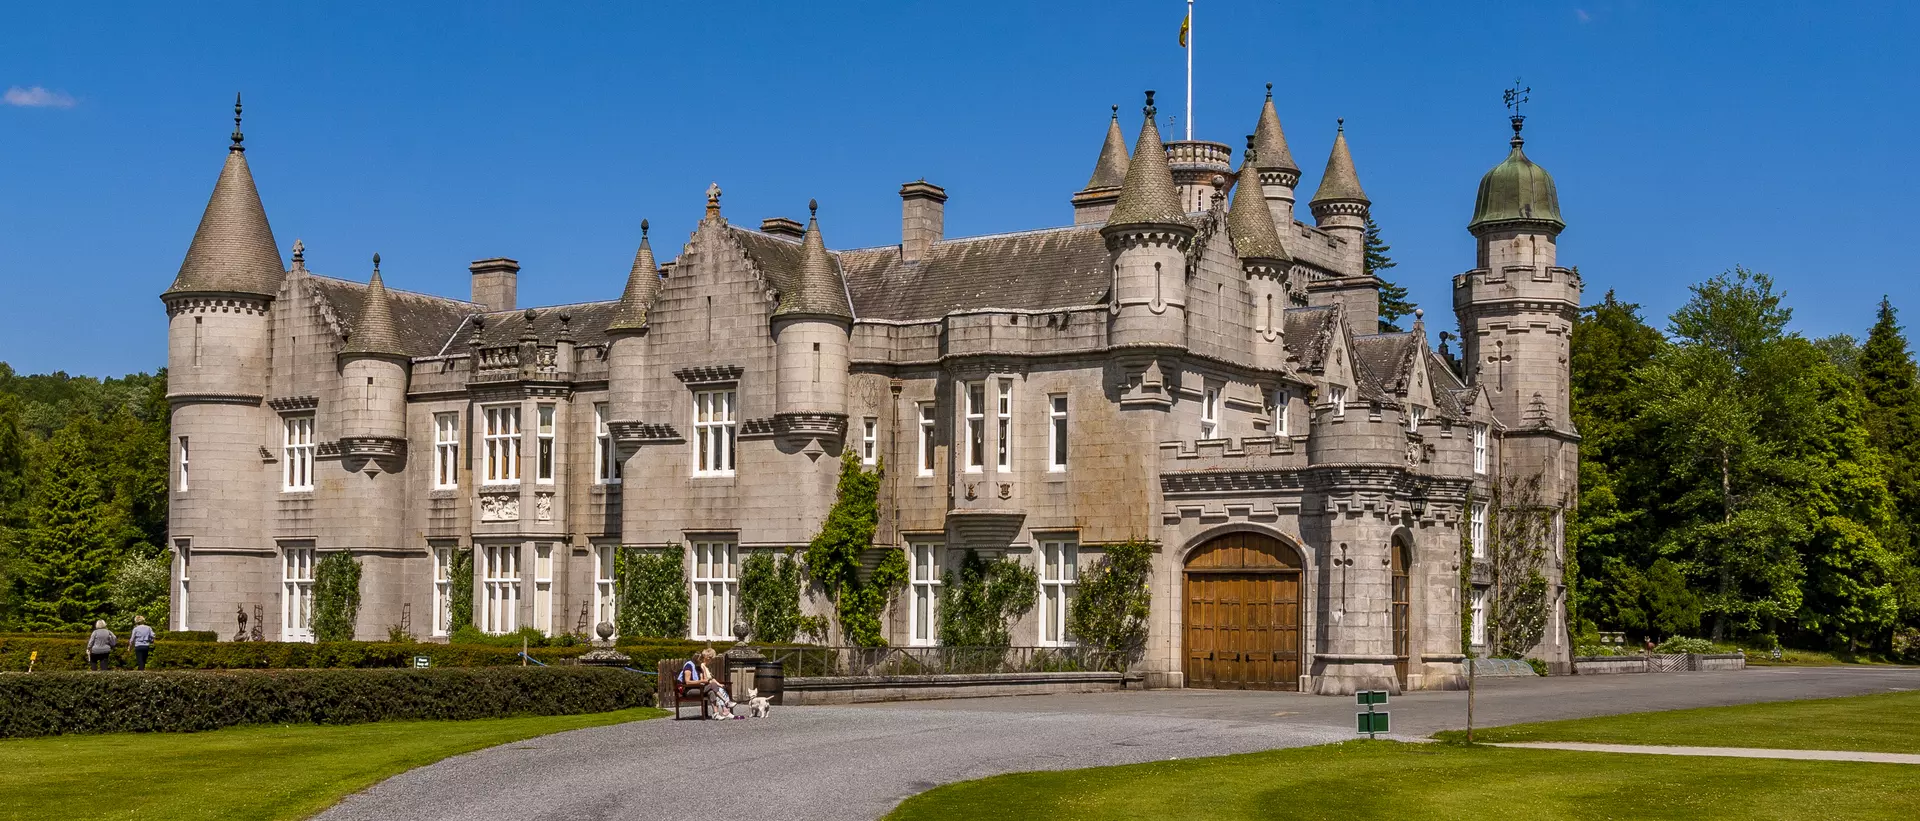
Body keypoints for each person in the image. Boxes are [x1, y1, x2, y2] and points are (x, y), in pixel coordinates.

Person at [678, 648, 742, 720]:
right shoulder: (688, 666)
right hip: (689, 690)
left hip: (698, 688)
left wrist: (703, 675)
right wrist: (701, 681)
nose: (703, 663)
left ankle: (716, 714)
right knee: (712, 685)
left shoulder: (698, 667)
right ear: (697, 660)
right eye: (701, 661)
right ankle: (726, 702)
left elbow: (704, 679)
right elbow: (687, 682)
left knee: (711, 691)